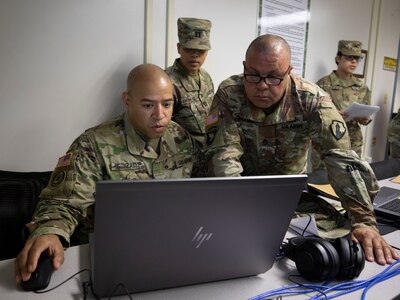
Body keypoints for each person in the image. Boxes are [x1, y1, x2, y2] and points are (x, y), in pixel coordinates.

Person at [204, 34, 399, 265]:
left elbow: (341, 158)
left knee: (334, 239)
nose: (262, 86)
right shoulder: (229, 93)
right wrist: (246, 214)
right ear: (245, 67)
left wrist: (364, 222)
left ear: (289, 72)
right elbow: (223, 156)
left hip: (287, 197)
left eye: (274, 77)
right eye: (253, 75)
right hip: (238, 193)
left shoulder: (311, 100)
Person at [15, 63, 199, 284]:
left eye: (167, 104)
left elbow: (199, 192)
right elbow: (63, 202)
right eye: (148, 105)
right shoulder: (94, 144)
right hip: (114, 256)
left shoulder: (181, 138)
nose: (160, 115)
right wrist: (50, 232)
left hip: (171, 250)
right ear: (127, 101)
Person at [311, 40, 372, 170]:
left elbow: (367, 115)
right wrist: (333, 114)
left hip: (352, 143)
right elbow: (313, 114)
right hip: (328, 142)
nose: (354, 61)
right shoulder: (323, 84)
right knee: (323, 181)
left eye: (357, 58)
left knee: (351, 179)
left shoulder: (362, 87)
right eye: (349, 57)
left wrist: (365, 118)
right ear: (338, 58)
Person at [165, 17, 214, 176]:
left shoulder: (206, 77)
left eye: (201, 51)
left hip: (208, 157)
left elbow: (212, 116)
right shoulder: (167, 82)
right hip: (182, 163)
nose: (195, 55)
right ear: (179, 48)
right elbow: (163, 133)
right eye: (189, 49)